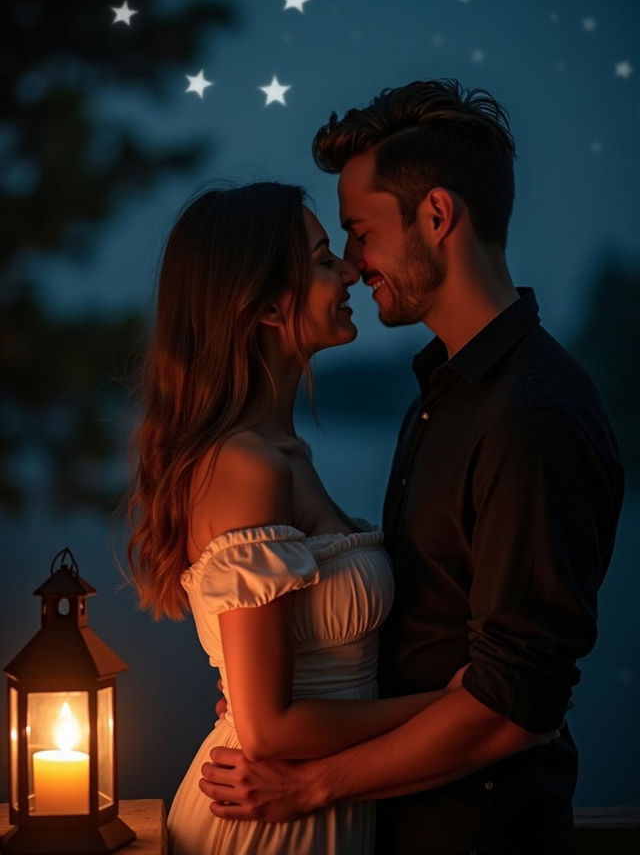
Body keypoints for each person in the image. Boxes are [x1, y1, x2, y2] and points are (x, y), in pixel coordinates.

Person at [198, 81, 624, 854]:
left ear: (436, 215)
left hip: (476, 834)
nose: (354, 266)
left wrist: (311, 781)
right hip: (392, 823)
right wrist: (277, 686)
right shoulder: (443, 391)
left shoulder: (531, 417)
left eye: (359, 233)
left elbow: (515, 704)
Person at [126, 182, 549, 855]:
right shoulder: (248, 465)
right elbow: (268, 732)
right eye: (326, 258)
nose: (351, 268)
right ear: (266, 304)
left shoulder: (285, 453)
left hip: (320, 805)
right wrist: (462, 705)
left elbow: (278, 700)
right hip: (268, 822)